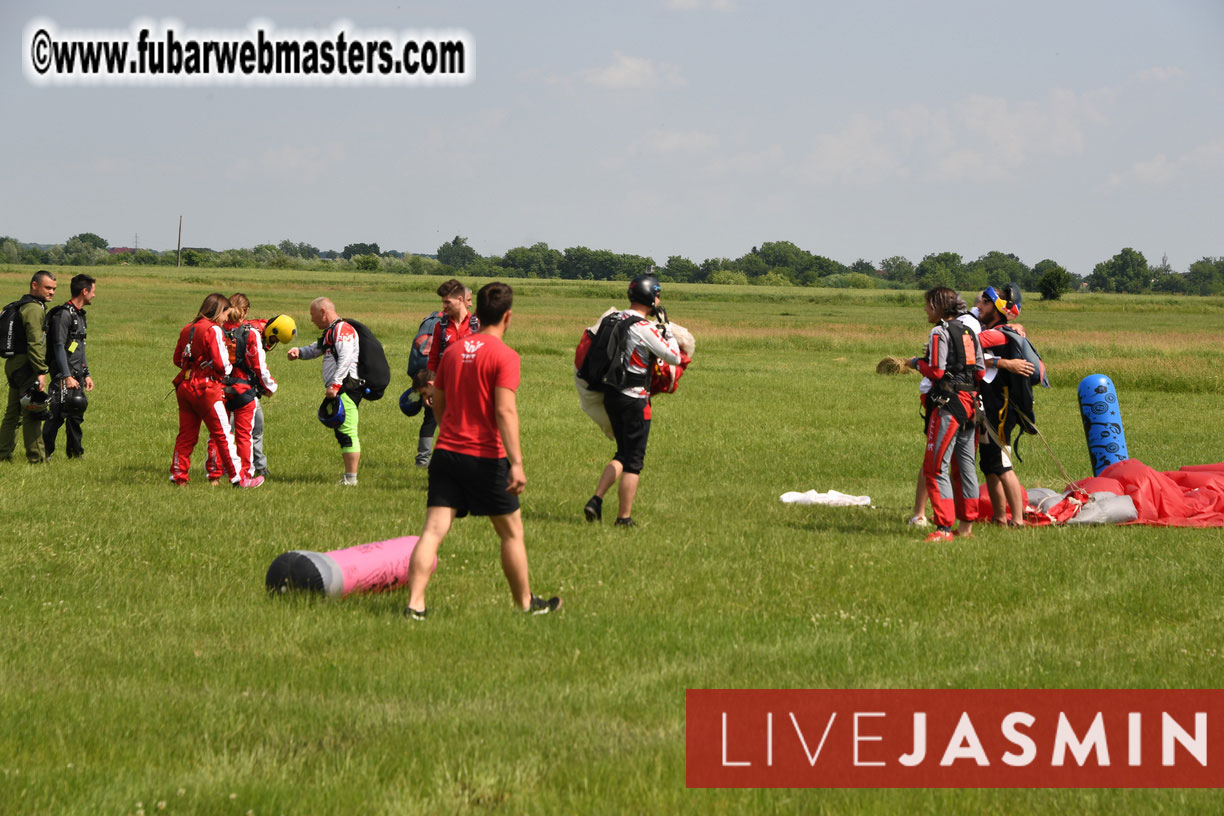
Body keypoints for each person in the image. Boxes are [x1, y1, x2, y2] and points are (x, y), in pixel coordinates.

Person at [404, 282, 561, 619]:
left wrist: (449, 433)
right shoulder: (506, 356)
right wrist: (516, 463)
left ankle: (415, 605)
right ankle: (525, 604)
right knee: (511, 534)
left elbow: (438, 402)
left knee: (432, 532)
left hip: (446, 454)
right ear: (508, 317)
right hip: (487, 457)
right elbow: (505, 411)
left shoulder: (452, 353)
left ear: (477, 311)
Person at [582, 274, 681, 527]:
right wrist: (668, 329)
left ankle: (596, 499)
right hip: (635, 399)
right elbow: (674, 357)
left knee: (622, 453)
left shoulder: (615, 318)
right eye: (657, 295)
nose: (659, 300)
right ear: (649, 296)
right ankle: (623, 518)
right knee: (634, 462)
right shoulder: (644, 327)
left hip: (611, 395)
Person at [909, 286, 984, 542]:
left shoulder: (939, 332)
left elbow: (937, 372)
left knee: (935, 467)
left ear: (939, 307)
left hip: (949, 406)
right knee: (966, 466)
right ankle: (966, 528)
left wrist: (915, 363)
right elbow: (980, 372)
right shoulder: (969, 332)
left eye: (928, 305)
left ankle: (943, 528)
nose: (925, 309)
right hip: (971, 405)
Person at [170, 293, 263, 488]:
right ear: (219, 311)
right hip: (206, 388)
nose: (225, 319)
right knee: (224, 435)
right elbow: (223, 364)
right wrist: (214, 369)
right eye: (225, 314)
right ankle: (239, 478)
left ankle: (179, 476)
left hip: (185, 387)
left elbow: (177, 359)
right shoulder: (213, 330)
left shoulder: (187, 328)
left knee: (186, 435)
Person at [975, 283, 1036, 526]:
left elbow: (967, 345)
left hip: (1000, 408)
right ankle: (999, 518)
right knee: (989, 466)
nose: (979, 305)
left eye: (985, 302)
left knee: (1002, 464)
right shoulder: (993, 330)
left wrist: (1000, 363)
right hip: (988, 406)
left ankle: (1017, 520)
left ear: (998, 308)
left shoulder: (997, 334)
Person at [288, 297, 362, 485]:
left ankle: (351, 479)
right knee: (342, 432)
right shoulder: (331, 331)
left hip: (346, 387)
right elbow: (316, 349)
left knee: (347, 433)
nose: (311, 319)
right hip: (339, 389)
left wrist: (335, 384)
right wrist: (299, 352)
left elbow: (345, 358)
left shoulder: (343, 330)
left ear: (323, 312)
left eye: (313, 314)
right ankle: (349, 477)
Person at [205, 294, 278, 481]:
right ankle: (245, 474)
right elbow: (259, 366)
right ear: (246, 311)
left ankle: (214, 474)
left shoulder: (216, 330)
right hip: (243, 389)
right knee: (244, 435)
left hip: (219, 388)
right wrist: (270, 387)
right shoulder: (251, 333)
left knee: (218, 433)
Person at [1, 270, 56, 463]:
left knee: (13, 413)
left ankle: (2, 454)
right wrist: (41, 371)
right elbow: (35, 343)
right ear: (34, 285)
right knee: (32, 411)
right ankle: (37, 457)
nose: (51, 292)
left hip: (13, 364)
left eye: (54, 289)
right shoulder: (33, 308)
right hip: (27, 366)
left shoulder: (22, 304)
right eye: (47, 287)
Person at [43, 273, 96, 460]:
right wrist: (66, 376)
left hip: (77, 375)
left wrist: (86, 373)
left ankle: (75, 453)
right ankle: (44, 453)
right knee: (57, 414)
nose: (94, 295)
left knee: (76, 414)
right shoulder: (63, 315)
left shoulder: (80, 315)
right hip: (63, 375)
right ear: (84, 291)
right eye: (93, 291)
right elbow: (58, 346)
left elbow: (79, 347)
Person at [426, 279, 480, 376]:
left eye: (447, 302)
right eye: (443, 302)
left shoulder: (478, 325)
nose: (444, 306)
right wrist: (431, 380)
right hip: (447, 381)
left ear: (460, 300)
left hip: (472, 381)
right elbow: (433, 360)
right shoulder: (440, 326)